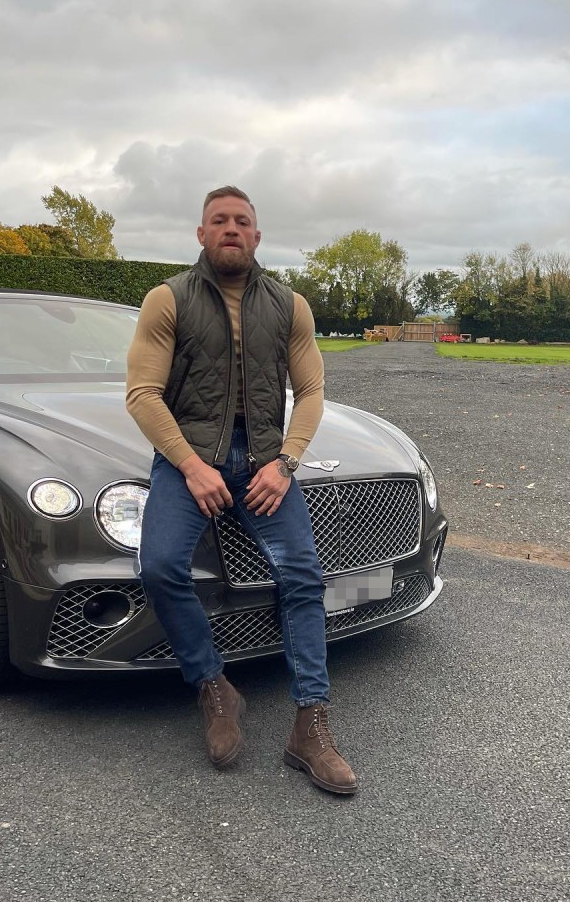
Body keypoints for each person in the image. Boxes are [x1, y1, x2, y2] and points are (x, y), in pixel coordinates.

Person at [126, 185, 357, 795]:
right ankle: (214, 685)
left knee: (302, 577)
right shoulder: (166, 299)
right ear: (201, 234)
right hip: (188, 459)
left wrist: (286, 463)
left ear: (258, 236)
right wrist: (190, 466)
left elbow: (309, 394)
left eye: (243, 221)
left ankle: (310, 724)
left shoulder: (290, 306)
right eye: (219, 220)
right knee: (160, 567)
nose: (231, 228)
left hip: (263, 461)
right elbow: (142, 395)